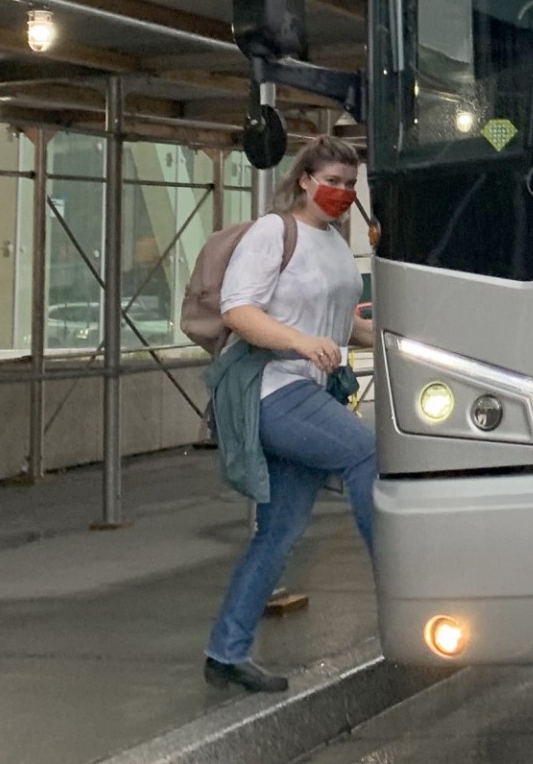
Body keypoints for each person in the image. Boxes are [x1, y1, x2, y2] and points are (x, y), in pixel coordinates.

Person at [202, 136, 376, 693]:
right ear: (304, 179)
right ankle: (402, 590)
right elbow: (240, 310)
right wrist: (302, 344)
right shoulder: (274, 232)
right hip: (270, 387)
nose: (342, 193)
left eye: (350, 185)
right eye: (332, 181)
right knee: (368, 453)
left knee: (278, 533)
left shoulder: (334, 244)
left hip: (306, 390)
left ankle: (225, 653)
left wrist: (384, 332)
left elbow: (334, 322)